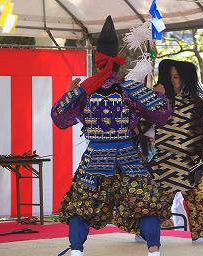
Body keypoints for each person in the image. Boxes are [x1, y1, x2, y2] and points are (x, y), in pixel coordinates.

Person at [51, 16, 172, 256]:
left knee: (81, 206)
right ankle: (154, 251)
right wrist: (159, 95)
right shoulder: (130, 88)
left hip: (95, 157)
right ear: (118, 63)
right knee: (145, 203)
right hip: (129, 157)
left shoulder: (83, 91)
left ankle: (76, 250)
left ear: (97, 63)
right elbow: (162, 115)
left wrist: (69, 94)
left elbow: (59, 118)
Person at [136, 59, 203, 243]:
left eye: (176, 77)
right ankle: (143, 231)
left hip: (191, 164)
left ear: (185, 79)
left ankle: (202, 232)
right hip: (161, 163)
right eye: (170, 77)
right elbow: (142, 128)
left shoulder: (199, 105)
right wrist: (153, 100)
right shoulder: (157, 100)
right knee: (148, 201)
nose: (173, 80)